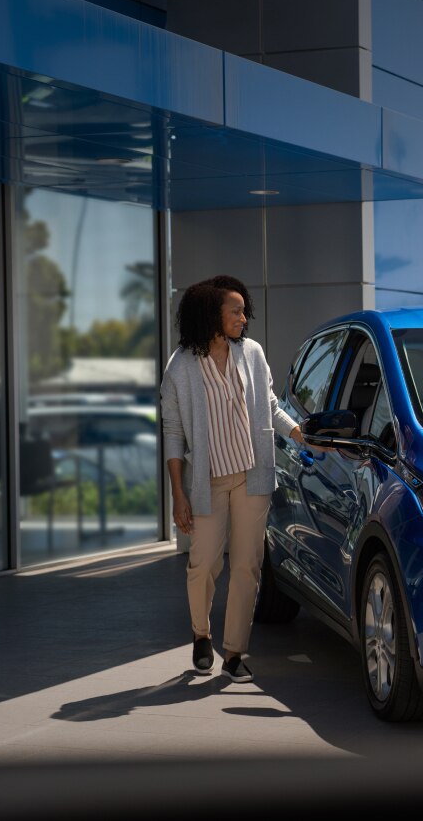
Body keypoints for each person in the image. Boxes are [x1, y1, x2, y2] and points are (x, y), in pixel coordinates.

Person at [160, 275, 304, 683]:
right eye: (235, 311)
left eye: (244, 310)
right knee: (203, 564)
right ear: (212, 315)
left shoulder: (252, 353)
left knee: (247, 566)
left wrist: (298, 433)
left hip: (251, 478)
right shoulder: (182, 367)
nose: (244, 318)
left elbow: (271, 405)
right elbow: (172, 431)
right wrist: (178, 494)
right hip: (207, 481)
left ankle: (235, 652)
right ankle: (201, 633)